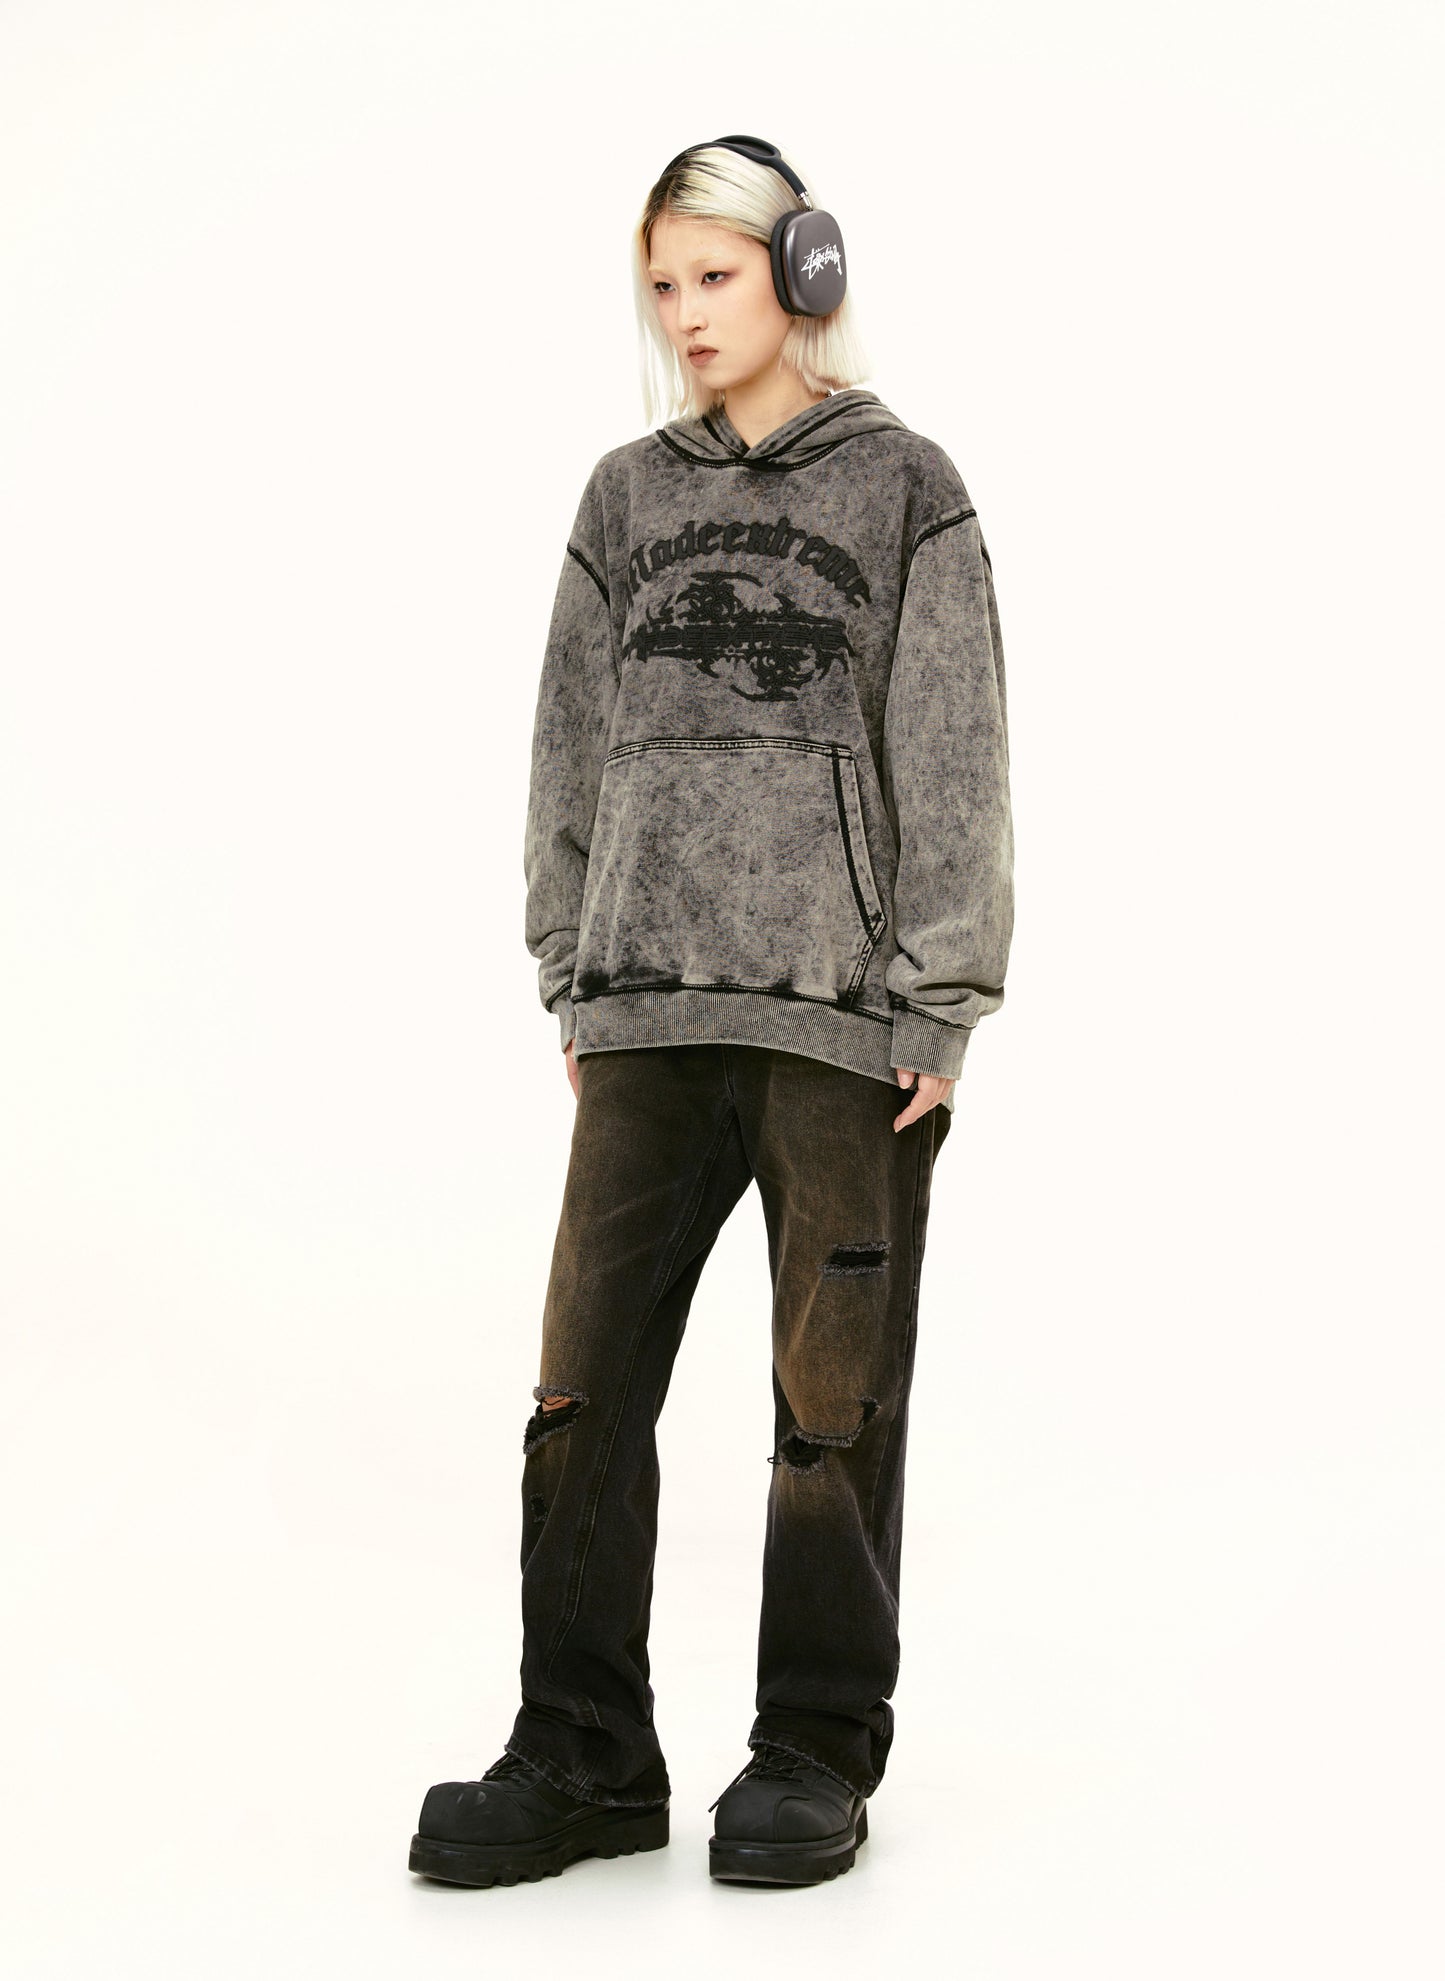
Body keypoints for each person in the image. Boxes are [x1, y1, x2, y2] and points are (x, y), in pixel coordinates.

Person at [409, 135, 1014, 1891]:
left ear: (802, 271)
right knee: (581, 1392)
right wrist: (570, 959)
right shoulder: (623, 497)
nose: (684, 313)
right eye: (662, 282)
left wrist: (940, 997)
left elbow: (955, 749)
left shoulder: (906, 487)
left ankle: (812, 1747)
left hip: (844, 1025)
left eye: (716, 276)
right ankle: (582, 1751)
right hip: (644, 1014)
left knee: (832, 1404)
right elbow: (566, 743)